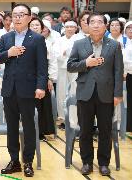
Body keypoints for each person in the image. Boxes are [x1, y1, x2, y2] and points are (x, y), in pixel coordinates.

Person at [0, 4, 47, 178]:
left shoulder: (37, 39)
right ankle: (14, 160)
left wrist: (40, 86)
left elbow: (42, 66)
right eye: (15, 15)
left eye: (21, 14)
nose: (17, 18)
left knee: (29, 126)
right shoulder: (6, 37)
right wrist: (9, 53)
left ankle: (28, 161)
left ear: (29, 17)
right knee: (12, 127)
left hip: (28, 89)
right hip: (9, 89)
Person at [67, 13, 123, 176]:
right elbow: (70, 66)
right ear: (87, 25)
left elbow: (118, 71)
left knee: (105, 131)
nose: (96, 25)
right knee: (85, 130)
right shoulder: (79, 44)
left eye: (100, 22)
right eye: (93, 22)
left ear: (105, 26)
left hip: (107, 94)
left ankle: (104, 163)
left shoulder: (114, 45)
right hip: (85, 93)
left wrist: (117, 94)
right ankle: (86, 162)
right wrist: (86, 63)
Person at [29, 18, 56, 141]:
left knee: (43, 104)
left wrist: (50, 78)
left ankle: (44, 131)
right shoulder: (25, 41)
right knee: (31, 105)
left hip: (43, 76)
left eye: (37, 25)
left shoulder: (47, 43)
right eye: (32, 25)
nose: (35, 27)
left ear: (42, 28)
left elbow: (51, 62)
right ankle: (31, 130)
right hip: (29, 77)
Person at [54, 20, 78, 128]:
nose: (69, 29)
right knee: (61, 93)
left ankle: (74, 119)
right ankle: (63, 118)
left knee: (74, 92)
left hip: (75, 70)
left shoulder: (79, 39)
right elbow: (56, 54)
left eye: (72, 27)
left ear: (76, 28)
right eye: (67, 27)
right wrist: (64, 53)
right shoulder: (59, 40)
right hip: (62, 69)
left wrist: (66, 53)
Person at [123, 21, 132, 133]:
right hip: (128, 75)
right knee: (129, 102)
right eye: (128, 28)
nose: (131, 30)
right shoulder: (123, 42)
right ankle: (129, 126)